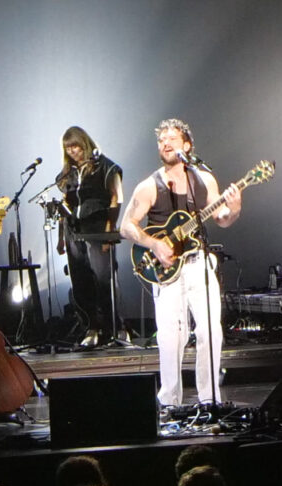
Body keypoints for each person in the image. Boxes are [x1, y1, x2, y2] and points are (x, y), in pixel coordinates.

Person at [120, 118, 241, 407]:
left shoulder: (204, 179)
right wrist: (154, 244)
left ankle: (210, 399)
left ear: (187, 145)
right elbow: (126, 226)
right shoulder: (150, 186)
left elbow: (221, 219)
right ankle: (170, 403)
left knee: (210, 330)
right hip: (167, 269)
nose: (166, 143)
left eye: (172, 138)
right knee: (171, 337)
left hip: (199, 262)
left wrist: (234, 208)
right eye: (161, 140)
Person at [52, 126, 124, 348]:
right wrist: (61, 238)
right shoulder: (67, 174)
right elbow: (65, 206)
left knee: (104, 281)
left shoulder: (105, 166)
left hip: (99, 229)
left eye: (75, 146)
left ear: (84, 143)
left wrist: (110, 230)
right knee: (81, 282)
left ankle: (117, 329)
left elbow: (116, 197)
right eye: (68, 148)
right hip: (75, 232)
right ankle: (91, 327)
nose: (73, 151)